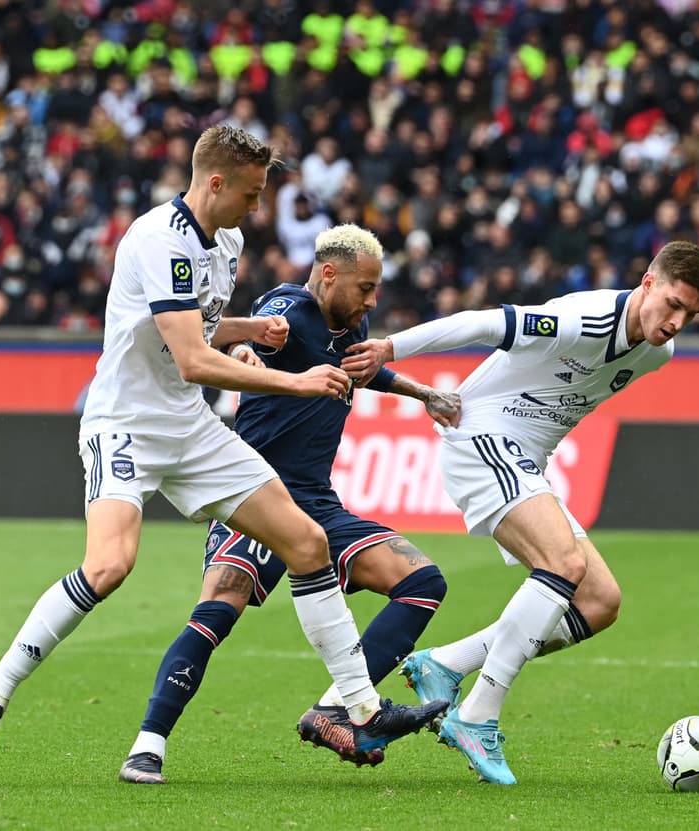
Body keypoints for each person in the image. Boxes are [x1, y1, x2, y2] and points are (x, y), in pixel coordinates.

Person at [0, 126, 446, 769]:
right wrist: (292, 378)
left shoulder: (229, 240)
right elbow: (191, 358)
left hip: (188, 428)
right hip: (125, 422)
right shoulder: (159, 240)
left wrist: (250, 328)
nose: (257, 206)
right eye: (251, 192)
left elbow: (201, 326)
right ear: (216, 182)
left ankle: (358, 708)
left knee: (307, 543)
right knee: (109, 567)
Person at [342, 240, 699, 784]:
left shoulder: (657, 354)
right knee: (563, 564)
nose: (677, 321)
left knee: (599, 600)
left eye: (692, 314)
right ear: (648, 283)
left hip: (525, 462)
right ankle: (477, 715)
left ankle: (448, 663)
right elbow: (481, 322)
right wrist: (390, 349)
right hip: (482, 437)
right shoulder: (581, 319)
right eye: (674, 304)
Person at [119, 224, 462, 784]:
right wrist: (246, 350)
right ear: (329, 275)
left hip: (318, 502)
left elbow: (362, 367)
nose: (373, 299)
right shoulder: (289, 305)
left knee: (423, 582)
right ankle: (147, 746)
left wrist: (424, 394)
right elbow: (251, 338)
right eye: (366, 287)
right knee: (218, 609)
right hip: (255, 491)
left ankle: (337, 712)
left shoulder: (353, 324)